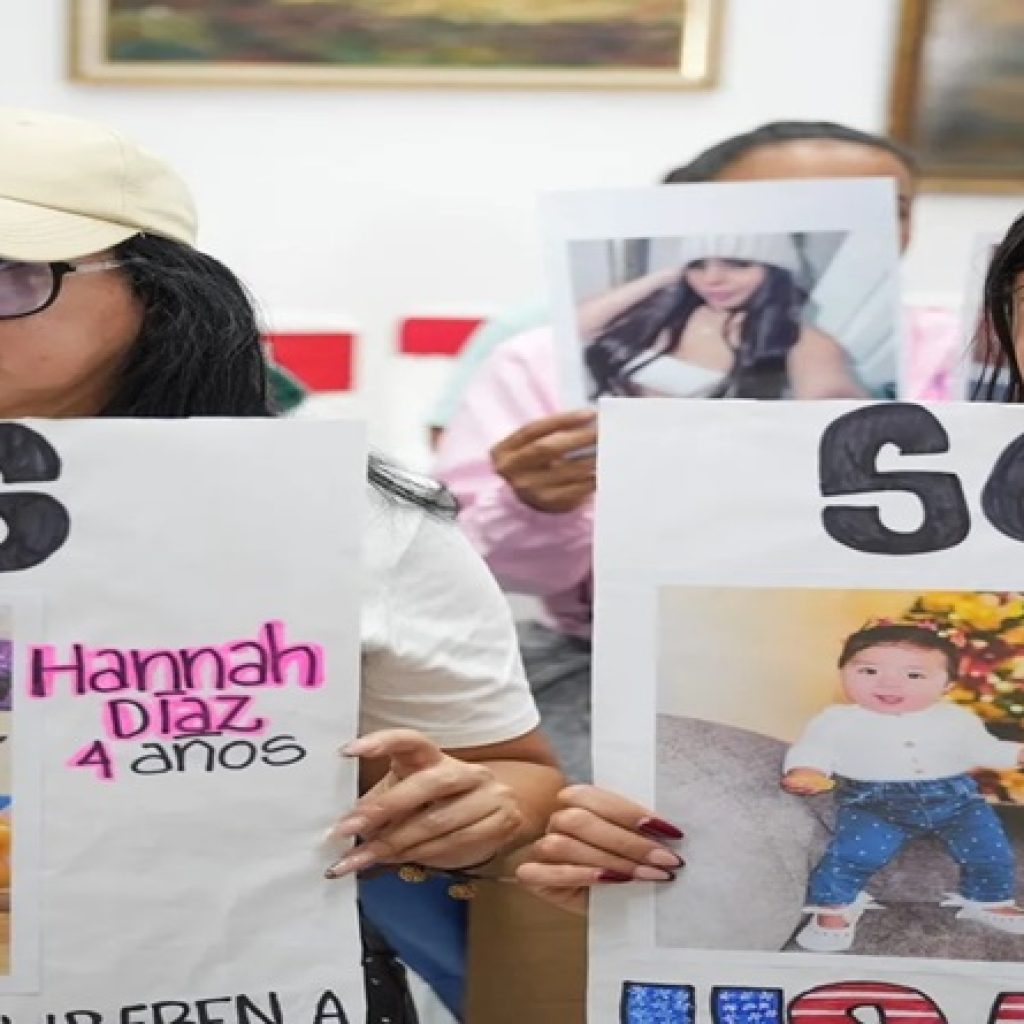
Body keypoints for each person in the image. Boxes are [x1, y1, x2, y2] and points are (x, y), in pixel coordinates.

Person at [0, 107, 563, 1022]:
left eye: (9, 274)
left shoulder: (347, 518)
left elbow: (512, 774)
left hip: (213, 979)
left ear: (160, 294)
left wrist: (470, 808)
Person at [434, 120, 941, 785]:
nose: (839, 222)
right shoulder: (544, 359)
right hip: (615, 664)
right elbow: (479, 572)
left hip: (893, 655)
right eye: (774, 211)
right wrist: (537, 504)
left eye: (886, 208)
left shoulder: (956, 350)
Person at [783, 621, 1024, 952]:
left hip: (956, 801)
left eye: (914, 675)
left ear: (947, 685)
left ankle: (988, 900)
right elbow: (814, 749)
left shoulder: (957, 719)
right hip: (875, 803)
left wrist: (1017, 754)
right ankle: (834, 907)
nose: (888, 683)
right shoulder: (836, 720)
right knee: (853, 853)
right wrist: (806, 770)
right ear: (842, 673)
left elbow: (985, 749)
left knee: (990, 849)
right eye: (869, 671)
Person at [581, 234, 866, 401]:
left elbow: (838, 420)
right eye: (699, 265)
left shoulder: (801, 340)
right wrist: (666, 275)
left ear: (775, 271)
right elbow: (577, 326)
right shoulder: (668, 310)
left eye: (737, 264)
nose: (712, 279)